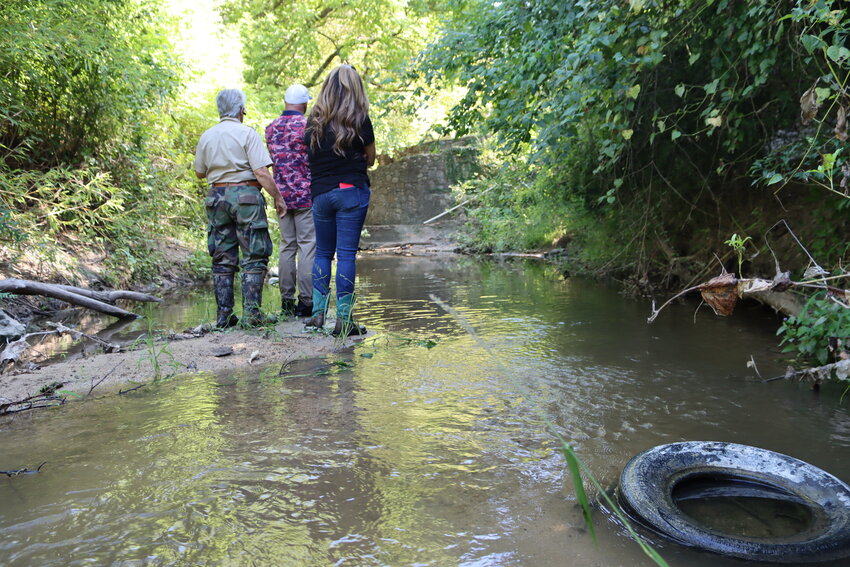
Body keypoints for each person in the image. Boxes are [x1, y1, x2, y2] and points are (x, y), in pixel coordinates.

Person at [194, 89, 287, 328]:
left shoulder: (207, 136)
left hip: (216, 196)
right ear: (241, 110)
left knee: (222, 256)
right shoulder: (247, 133)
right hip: (246, 195)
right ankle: (252, 314)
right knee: (254, 254)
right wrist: (277, 197)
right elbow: (261, 172)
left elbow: (199, 172)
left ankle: (224, 316)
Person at [304, 65, 375, 337]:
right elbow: (371, 157)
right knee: (345, 255)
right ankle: (344, 320)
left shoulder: (314, 122)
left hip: (320, 194)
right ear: (355, 88)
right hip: (350, 191)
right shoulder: (359, 120)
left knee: (323, 253)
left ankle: (318, 314)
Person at [265, 84, 315, 318]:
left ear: (285, 102)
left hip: (281, 198)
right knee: (307, 246)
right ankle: (306, 302)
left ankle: (286, 301)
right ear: (305, 103)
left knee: (287, 246)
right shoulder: (309, 127)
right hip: (306, 195)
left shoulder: (271, 128)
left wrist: (277, 195)